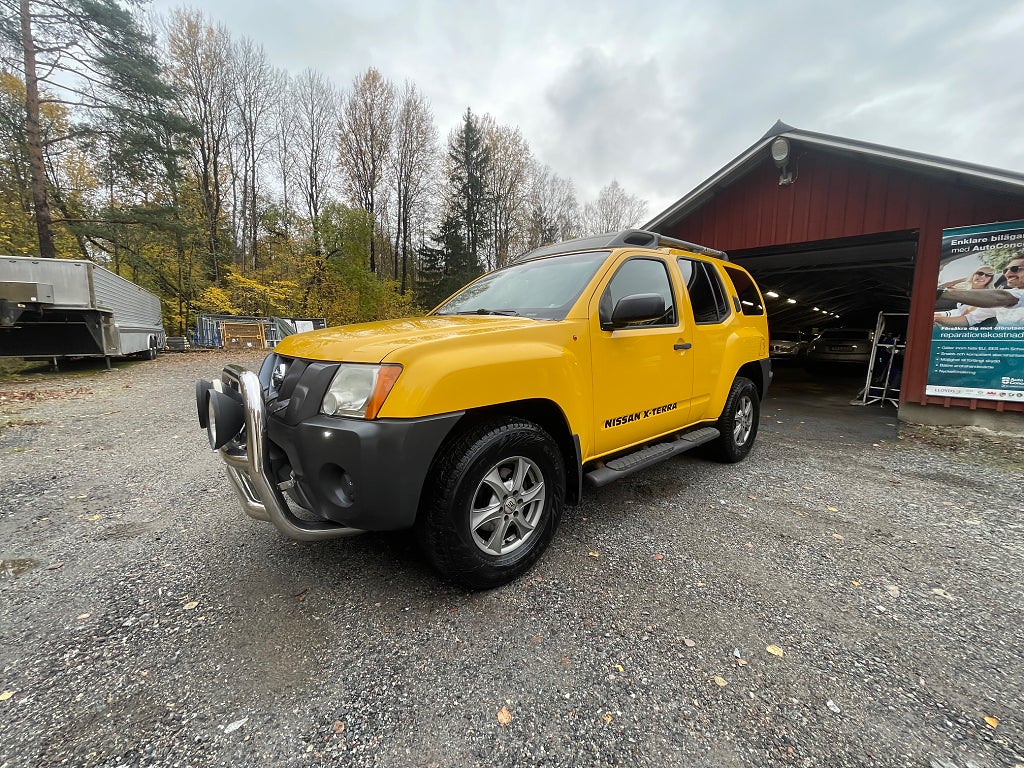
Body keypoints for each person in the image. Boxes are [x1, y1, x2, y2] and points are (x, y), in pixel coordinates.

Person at [934, 255, 1024, 327]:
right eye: (1005, 270)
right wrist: (936, 318)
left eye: (1015, 269)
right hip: (998, 344)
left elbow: (1003, 298)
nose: (1007, 274)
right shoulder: (969, 291)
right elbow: (969, 319)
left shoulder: (994, 297)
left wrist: (941, 293)